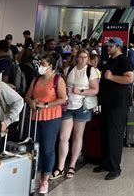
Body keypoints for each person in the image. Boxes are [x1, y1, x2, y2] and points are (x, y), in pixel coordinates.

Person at [51, 50, 99, 181]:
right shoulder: (69, 69)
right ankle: (60, 166)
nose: (83, 59)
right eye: (80, 57)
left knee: (78, 135)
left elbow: (95, 89)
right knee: (63, 137)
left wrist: (81, 91)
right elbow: (63, 85)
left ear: (88, 58)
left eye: (85, 57)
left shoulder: (91, 70)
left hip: (82, 105)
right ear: (77, 58)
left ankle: (72, 165)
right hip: (68, 105)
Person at [24, 54, 67, 194]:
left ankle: (45, 179)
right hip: (35, 117)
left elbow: (62, 99)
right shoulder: (36, 79)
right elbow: (28, 95)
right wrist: (31, 102)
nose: (40, 66)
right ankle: (35, 175)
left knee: (47, 148)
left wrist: (45, 105)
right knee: (34, 147)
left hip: (51, 118)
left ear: (50, 66)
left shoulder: (57, 80)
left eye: (43, 64)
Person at [94, 38, 134, 180]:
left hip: (118, 104)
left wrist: (111, 77)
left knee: (114, 135)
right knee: (105, 133)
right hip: (108, 102)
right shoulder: (110, 60)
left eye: (110, 46)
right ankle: (106, 162)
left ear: (118, 47)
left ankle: (115, 167)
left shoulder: (124, 60)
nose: (107, 48)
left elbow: (130, 78)